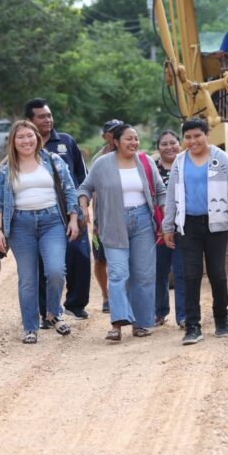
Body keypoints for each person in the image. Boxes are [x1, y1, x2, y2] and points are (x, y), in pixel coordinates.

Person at [0, 120, 80, 344]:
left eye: (29, 136)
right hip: (20, 224)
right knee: (28, 279)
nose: (26, 141)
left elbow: (70, 190)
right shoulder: (5, 168)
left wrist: (73, 219)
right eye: (20, 137)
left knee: (56, 270)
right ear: (13, 141)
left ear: (37, 138)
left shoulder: (53, 161)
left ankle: (53, 313)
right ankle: (30, 327)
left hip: (52, 221)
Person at [161, 118, 228, 345]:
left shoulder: (220, 158)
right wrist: (168, 225)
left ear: (207, 135)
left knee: (217, 273)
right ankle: (192, 326)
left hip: (216, 223)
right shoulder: (179, 161)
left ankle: (221, 319)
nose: (193, 141)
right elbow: (171, 196)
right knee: (190, 275)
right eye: (188, 137)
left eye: (197, 136)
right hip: (188, 225)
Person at [78, 124, 165, 342]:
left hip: (143, 221)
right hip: (113, 222)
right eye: (128, 139)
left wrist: (165, 219)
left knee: (143, 275)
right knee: (117, 274)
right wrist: (83, 208)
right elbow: (84, 188)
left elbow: (161, 191)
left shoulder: (145, 162)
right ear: (115, 141)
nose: (134, 143)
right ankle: (117, 324)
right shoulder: (101, 164)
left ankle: (141, 323)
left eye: (136, 139)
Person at [25, 98, 91, 322]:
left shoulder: (66, 141)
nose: (48, 120)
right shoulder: (25, 145)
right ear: (30, 120)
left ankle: (75, 304)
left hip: (71, 209)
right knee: (46, 262)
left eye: (49, 115)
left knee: (80, 256)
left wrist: (82, 207)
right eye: (42, 116)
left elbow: (82, 176)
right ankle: (46, 311)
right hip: (43, 212)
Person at [153, 130, 186, 328]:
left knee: (182, 272)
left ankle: (182, 315)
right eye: (164, 144)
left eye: (172, 143)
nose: (169, 147)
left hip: (183, 227)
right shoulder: (151, 169)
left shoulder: (186, 165)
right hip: (157, 229)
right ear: (158, 148)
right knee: (159, 272)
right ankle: (159, 312)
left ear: (179, 144)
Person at [90, 118, 122, 313]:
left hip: (128, 215)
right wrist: (96, 220)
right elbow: (92, 191)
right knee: (101, 259)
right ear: (105, 136)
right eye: (113, 131)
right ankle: (106, 295)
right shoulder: (98, 160)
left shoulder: (131, 154)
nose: (117, 133)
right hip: (102, 217)